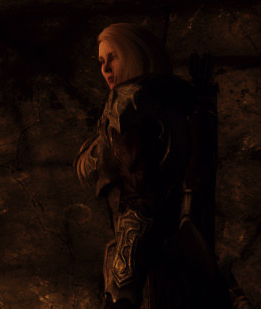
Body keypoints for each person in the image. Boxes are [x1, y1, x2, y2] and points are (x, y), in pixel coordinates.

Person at [73, 24, 230, 309]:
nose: (105, 69)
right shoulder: (179, 104)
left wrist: (123, 285)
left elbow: (139, 200)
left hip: (146, 270)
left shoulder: (127, 104)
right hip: (184, 264)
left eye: (113, 57)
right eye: (101, 61)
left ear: (136, 55)